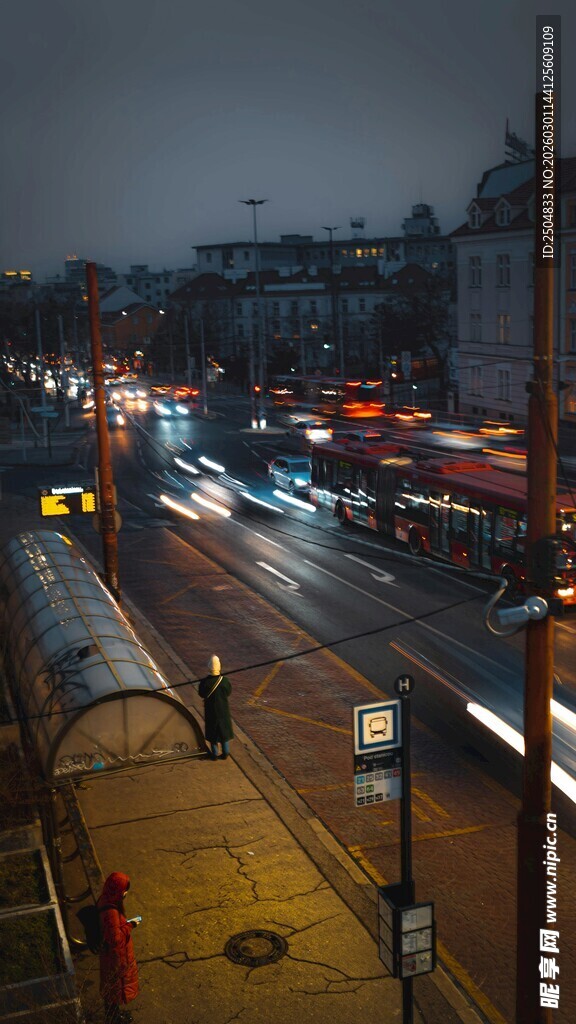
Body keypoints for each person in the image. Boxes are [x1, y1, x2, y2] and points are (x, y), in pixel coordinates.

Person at [97, 871, 140, 1024]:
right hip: (116, 959)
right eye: (124, 891)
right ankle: (113, 1019)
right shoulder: (112, 913)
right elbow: (116, 940)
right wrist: (131, 925)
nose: (125, 894)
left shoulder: (105, 899)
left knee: (111, 990)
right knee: (115, 990)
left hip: (109, 957)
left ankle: (113, 1017)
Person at [198, 654, 234, 760]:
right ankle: (225, 752)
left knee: (212, 732)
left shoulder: (204, 682)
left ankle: (214, 754)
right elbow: (228, 692)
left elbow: (201, 694)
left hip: (210, 710)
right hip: (223, 710)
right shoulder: (224, 681)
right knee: (224, 733)